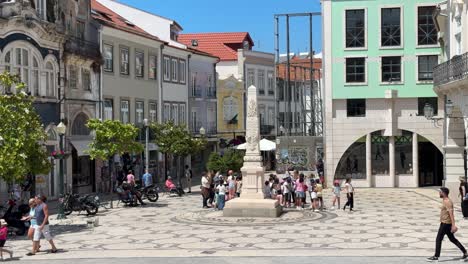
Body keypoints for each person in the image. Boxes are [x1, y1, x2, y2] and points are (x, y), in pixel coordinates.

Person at [427, 187, 468, 262]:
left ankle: (436, 256)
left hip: (446, 224)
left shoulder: (448, 202)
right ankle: (465, 252)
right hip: (444, 223)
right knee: (452, 239)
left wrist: (453, 225)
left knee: (438, 239)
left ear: (444, 193)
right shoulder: (444, 200)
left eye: (440, 192)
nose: (439, 193)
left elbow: (451, 214)